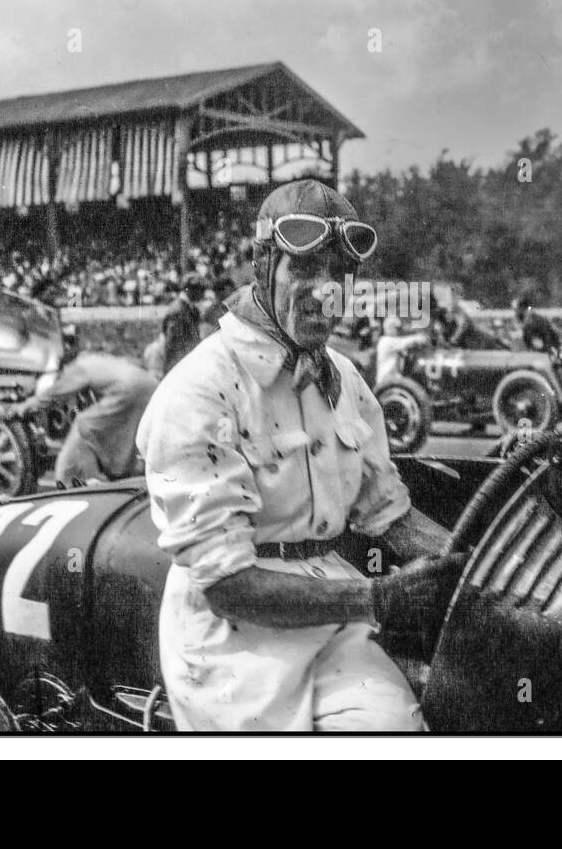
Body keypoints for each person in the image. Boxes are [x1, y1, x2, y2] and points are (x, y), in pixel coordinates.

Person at [136, 179, 464, 731]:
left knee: (397, 728)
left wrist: (474, 566)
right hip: (231, 650)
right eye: (305, 269)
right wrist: (378, 598)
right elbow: (227, 587)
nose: (324, 291)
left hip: (334, 623)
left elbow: (388, 512)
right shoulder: (199, 390)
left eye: (339, 275)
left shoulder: (345, 378)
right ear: (264, 266)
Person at [11, 340, 158, 485]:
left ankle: (82, 480)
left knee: (84, 424)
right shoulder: (100, 359)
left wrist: (25, 406)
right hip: (150, 386)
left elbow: (57, 392)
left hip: (128, 391)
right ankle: (126, 477)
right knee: (126, 438)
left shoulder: (77, 366)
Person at [153, 273, 207, 378]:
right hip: (178, 367)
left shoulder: (189, 308)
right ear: (190, 289)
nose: (203, 293)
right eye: (201, 289)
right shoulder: (178, 310)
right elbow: (172, 345)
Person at [375, 314, 430, 385]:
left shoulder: (391, 342)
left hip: (393, 379)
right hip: (386, 381)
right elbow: (405, 342)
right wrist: (420, 337)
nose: (398, 331)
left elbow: (406, 351)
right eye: (397, 328)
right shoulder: (386, 341)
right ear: (390, 328)